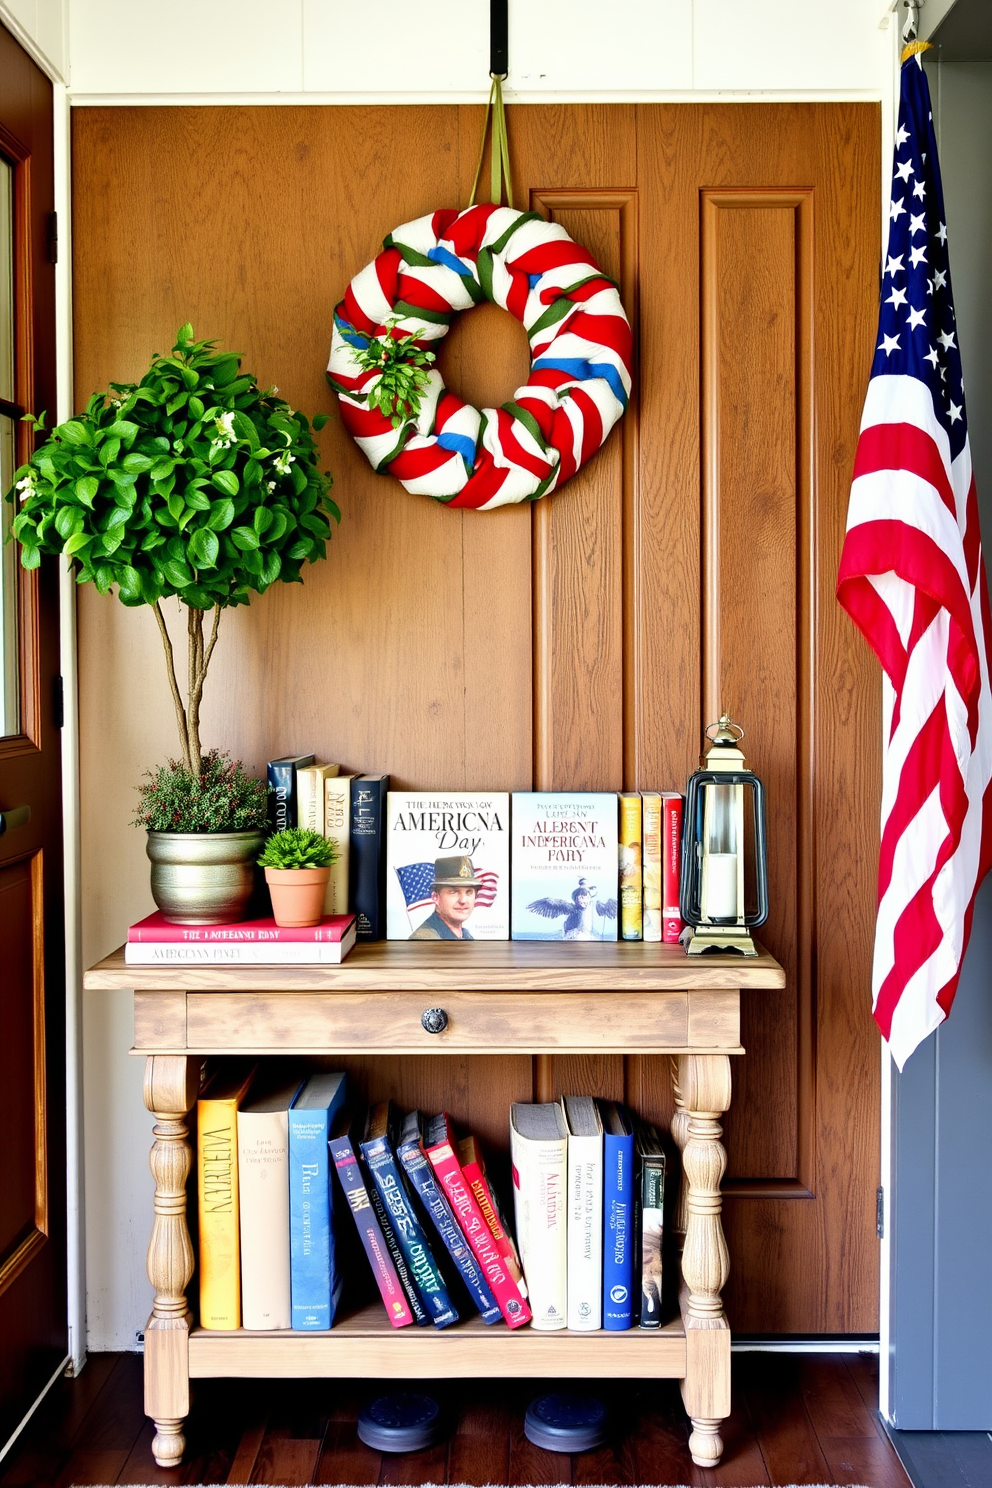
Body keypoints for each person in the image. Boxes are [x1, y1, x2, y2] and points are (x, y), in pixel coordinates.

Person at [409, 855, 481, 940]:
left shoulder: (465, 936)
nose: (463, 900)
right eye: (454, 892)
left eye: (469, 892)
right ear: (435, 897)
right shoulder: (424, 939)